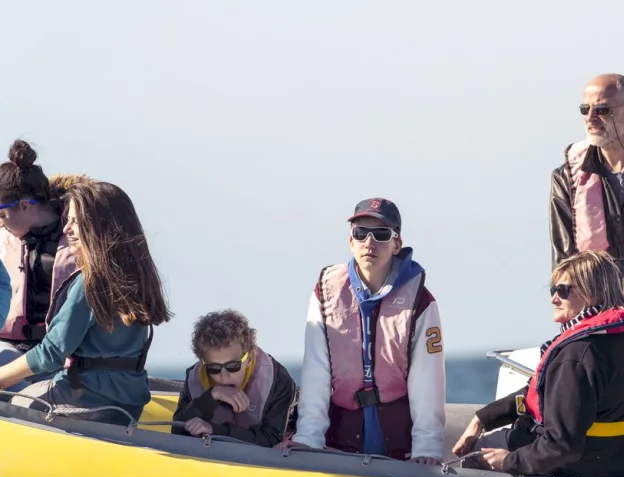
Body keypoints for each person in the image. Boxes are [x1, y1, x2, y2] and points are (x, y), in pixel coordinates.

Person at [453, 251, 624, 477]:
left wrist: (509, 460)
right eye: (553, 291)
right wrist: (482, 418)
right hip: (619, 464)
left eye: (563, 290)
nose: (554, 299)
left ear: (593, 292)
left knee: (476, 455)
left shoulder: (577, 356)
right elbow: (540, 396)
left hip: (577, 467)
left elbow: (561, 446)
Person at [0, 181, 171, 423]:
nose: (67, 229)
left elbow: (50, 354)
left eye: (75, 222)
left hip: (85, 400)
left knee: (7, 405)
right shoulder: (136, 276)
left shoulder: (90, 283)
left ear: (100, 227)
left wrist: (2, 378)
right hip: (128, 404)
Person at [292, 198, 445, 462]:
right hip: (340, 437)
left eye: (382, 234)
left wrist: (427, 450)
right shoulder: (325, 294)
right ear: (351, 241)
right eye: (360, 233)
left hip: (398, 440)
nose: (369, 243)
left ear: (397, 243)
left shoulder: (421, 302)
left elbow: (427, 382)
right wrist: (308, 439)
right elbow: (316, 372)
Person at [0, 140, 81, 368]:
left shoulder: (79, 240)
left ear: (25, 206)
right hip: (8, 347)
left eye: (3, 215)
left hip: (61, 353)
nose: (0, 223)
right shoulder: (3, 240)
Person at [550, 74, 624, 280]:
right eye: (585, 110)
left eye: (601, 110)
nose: (590, 118)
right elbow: (563, 258)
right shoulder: (566, 178)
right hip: (599, 300)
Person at [172, 309, 296, 446]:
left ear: (248, 358)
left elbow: (271, 440)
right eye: (214, 368)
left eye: (232, 366)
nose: (224, 377)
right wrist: (210, 397)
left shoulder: (278, 381)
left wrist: (214, 431)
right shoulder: (194, 378)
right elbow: (178, 431)